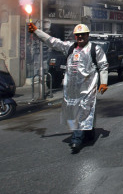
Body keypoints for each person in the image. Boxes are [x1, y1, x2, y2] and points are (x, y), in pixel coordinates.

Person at [28, 23, 108, 153]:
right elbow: (52, 41)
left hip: (88, 88)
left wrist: (104, 82)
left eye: (83, 35)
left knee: (83, 112)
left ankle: (76, 140)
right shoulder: (69, 47)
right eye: (78, 35)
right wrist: (37, 31)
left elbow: (103, 65)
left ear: (88, 35)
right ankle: (88, 133)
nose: (80, 37)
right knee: (74, 113)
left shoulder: (95, 49)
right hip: (71, 89)